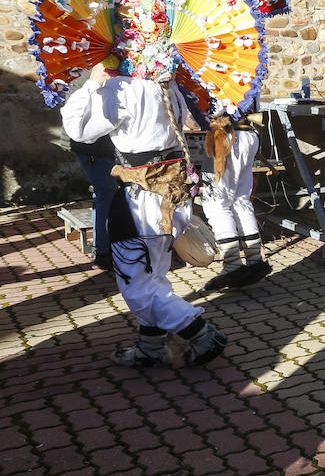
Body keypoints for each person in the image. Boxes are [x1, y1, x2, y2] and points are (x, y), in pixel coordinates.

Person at [60, 58, 228, 368]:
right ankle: (150, 347)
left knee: (136, 285)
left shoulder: (121, 87)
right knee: (153, 275)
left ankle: (201, 333)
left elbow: (77, 128)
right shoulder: (167, 83)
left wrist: (93, 83)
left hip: (145, 198)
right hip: (171, 193)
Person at [200, 113, 272, 290]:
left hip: (226, 136)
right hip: (247, 135)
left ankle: (232, 265)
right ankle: (255, 260)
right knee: (240, 201)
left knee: (217, 203)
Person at [71, 133, 118, 271]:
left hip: (80, 142)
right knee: (105, 196)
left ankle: (100, 249)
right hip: (100, 146)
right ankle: (102, 253)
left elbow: (50, 109)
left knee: (102, 195)